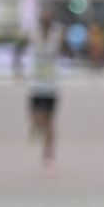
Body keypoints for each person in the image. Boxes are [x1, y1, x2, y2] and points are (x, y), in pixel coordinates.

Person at [27, 12, 62, 172]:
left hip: (51, 85)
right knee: (37, 119)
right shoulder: (33, 34)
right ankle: (35, 126)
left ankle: (48, 155)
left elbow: (68, 50)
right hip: (35, 84)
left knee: (50, 122)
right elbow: (19, 49)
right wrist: (17, 68)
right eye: (44, 21)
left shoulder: (57, 35)